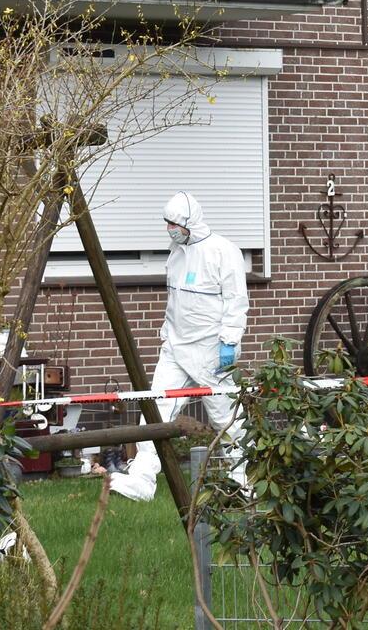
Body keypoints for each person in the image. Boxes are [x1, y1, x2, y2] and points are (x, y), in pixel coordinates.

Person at [109, 192, 250, 503]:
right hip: (176, 349)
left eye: (173, 224)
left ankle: (246, 483)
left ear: (189, 222)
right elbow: (176, 301)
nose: (169, 229)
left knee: (227, 421)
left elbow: (237, 301)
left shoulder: (224, 252)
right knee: (153, 413)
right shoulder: (177, 253)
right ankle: (143, 479)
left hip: (212, 352)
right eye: (167, 223)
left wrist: (229, 342)